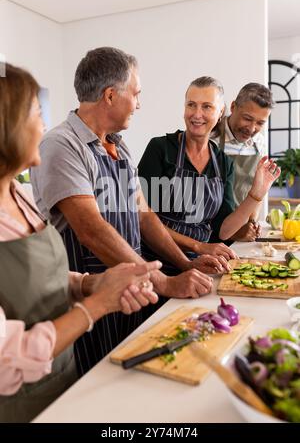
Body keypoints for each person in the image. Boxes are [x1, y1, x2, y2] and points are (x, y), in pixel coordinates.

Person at [30, 47, 229, 376]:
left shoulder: (117, 145)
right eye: (136, 94)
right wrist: (164, 283)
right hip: (90, 293)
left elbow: (143, 214)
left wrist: (184, 264)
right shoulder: (61, 145)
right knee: (98, 385)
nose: (139, 103)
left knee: (135, 377)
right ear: (110, 95)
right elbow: (91, 230)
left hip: (133, 288)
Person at [0, 63, 161, 423]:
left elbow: (40, 276)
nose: (43, 124)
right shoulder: (62, 144)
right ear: (6, 126)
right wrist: (96, 306)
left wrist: (91, 283)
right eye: (37, 113)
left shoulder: (16, 195)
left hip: (60, 384)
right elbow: (5, 357)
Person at [138, 76, 280, 255]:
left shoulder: (223, 162)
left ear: (221, 111)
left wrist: (257, 194)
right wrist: (196, 248)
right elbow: (141, 217)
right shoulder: (160, 148)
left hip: (203, 259)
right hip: (158, 259)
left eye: (206, 106)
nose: (197, 114)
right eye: (191, 105)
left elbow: (224, 230)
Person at [211, 83, 274, 205]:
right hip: (212, 222)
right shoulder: (211, 138)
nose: (251, 129)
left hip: (245, 219)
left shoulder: (260, 143)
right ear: (233, 106)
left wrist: (252, 220)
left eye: (260, 123)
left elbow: (258, 191)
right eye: (247, 119)